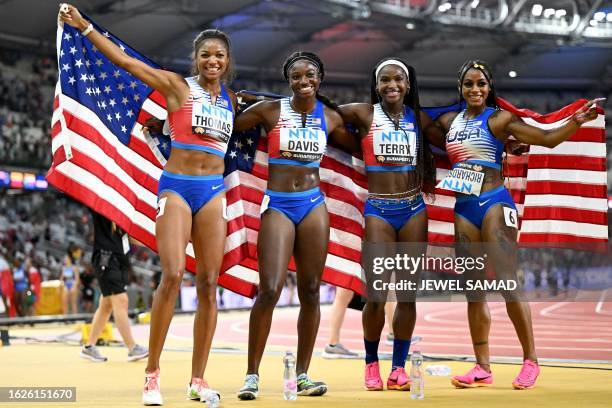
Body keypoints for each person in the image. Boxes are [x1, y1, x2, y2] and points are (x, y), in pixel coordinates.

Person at [59, 4, 237, 406]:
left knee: (209, 283)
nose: (212, 60)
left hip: (212, 192)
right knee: (172, 274)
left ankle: (198, 379)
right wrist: (84, 26)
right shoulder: (177, 86)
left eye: (219, 55)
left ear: (227, 62)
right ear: (197, 59)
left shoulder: (231, 101)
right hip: (176, 188)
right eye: (206, 54)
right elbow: (123, 61)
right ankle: (152, 374)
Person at [425, 59, 600, 390]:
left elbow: (546, 139)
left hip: (494, 203)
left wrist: (576, 120)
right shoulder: (448, 122)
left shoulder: (500, 119)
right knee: (473, 291)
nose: (475, 89)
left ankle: (531, 360)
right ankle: (482, 367)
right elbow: (418, 124)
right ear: (460, 89)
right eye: (469, 84)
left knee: (508, 283)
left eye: (481, 84)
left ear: (489, 87)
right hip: (464, 208)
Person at [233, 51, 356, 400]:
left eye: (310, 75)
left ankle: (303, 374)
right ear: (289, 81)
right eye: (297, 76)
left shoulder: (329, 117)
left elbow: (364, 146)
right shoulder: (269, 111)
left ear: (320, 77)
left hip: (314, 205)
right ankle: (251, 375)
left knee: (312, 291)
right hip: (279, 205)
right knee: (269, 289)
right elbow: (224, 124)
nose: (304, 81)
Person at [337, 58, 437, 391]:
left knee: (407, 296)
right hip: (378, 209)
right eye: (384, 80)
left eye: (398, 80)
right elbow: (323, 111)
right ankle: (370, 364)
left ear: (408, 86)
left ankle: (398, 368)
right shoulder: (363, 114)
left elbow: (456, 137)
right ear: (376, 85)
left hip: (413, 209)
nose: (391, 85)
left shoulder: (419, 119)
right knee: (375, 295)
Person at [79, 211, 149, 363]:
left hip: (119, 260)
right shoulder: (102, 205)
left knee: (106, 305)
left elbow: (127, 236)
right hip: (106, 259)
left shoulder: (123, 210)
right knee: (121, 300)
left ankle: (89, 347)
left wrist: (152, 240)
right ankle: (132, 348)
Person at [61, 245, 80, 314]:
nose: (65, 260)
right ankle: (65, 318)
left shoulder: (74, 267)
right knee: (64, 302)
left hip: (72, 283)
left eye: (66, 258)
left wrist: (74, 286)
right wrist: (62, 284)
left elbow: (77, 279)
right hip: (66, 284)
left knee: (73, 302)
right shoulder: (64, 268)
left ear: (69, 259)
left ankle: (75, 317)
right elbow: (62, 278)